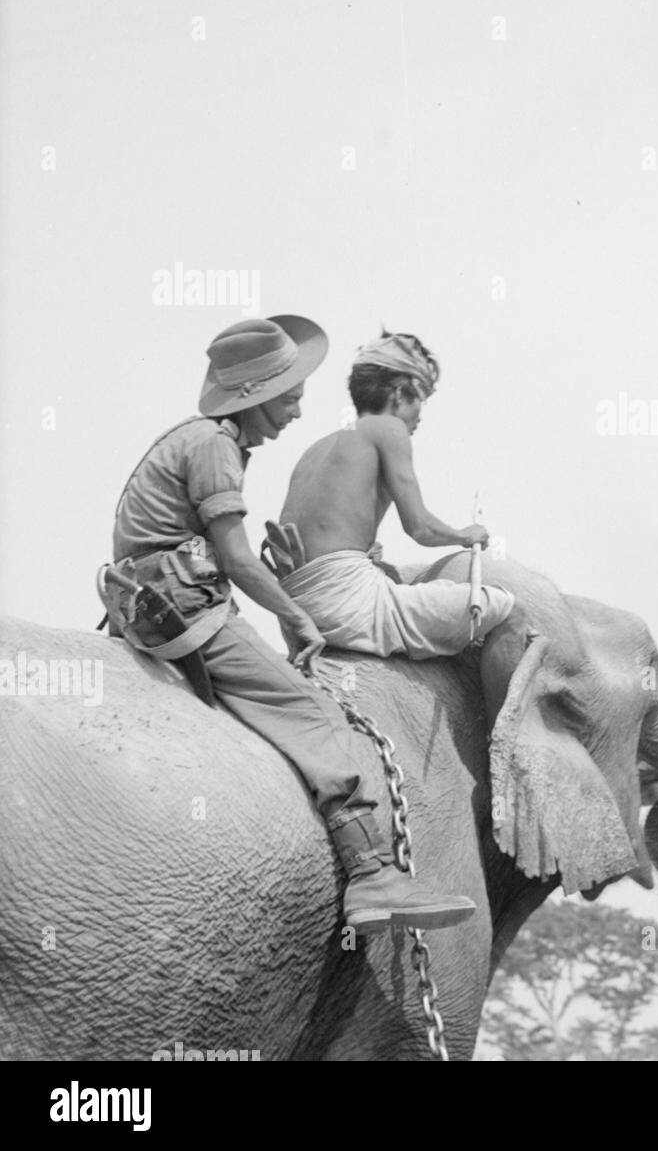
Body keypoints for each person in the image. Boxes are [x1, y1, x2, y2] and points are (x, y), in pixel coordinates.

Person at [104, 316, 475, 934]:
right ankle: (371, 875)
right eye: (292, 396)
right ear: (257, 395)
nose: (299, 411)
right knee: (312, 714)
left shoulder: (201, 441)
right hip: (185, 609)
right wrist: (296, 614)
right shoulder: (215, 449)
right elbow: (235, 559)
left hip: (153, 599)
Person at [275, 330, 515, 659]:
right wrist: (465, 534)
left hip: (294, 610)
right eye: (421, 399)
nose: (421, 414)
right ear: (400, 393)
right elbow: (420, 527)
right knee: (506, 608)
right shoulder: (389, 429)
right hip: (347, 604)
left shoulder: (316, 449)